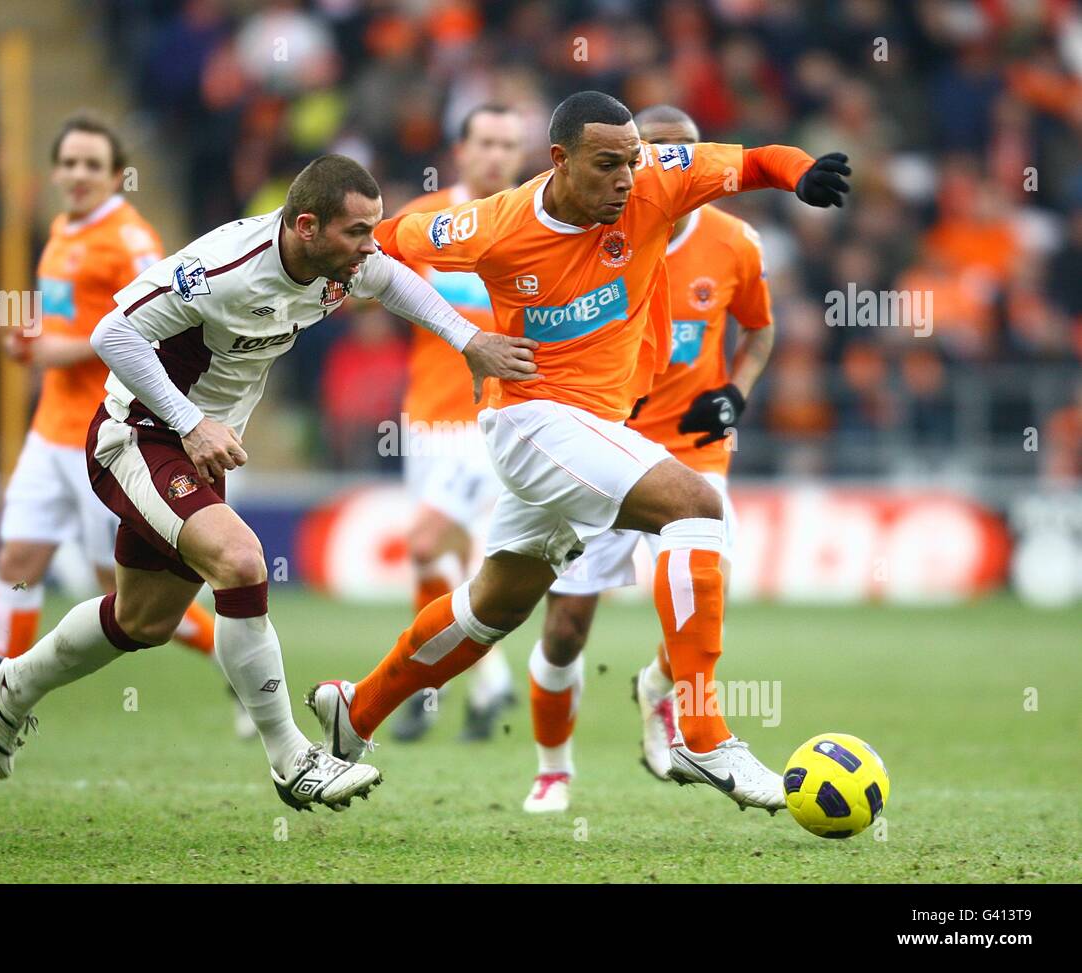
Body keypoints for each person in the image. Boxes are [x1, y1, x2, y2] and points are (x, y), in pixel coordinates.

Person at [308, 91, 850, 813]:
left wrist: (802, 173)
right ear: (559, 161)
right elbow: (388, 242)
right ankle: (701, 730)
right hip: (530, 420)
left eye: (633, 162)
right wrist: (458, 334)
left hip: (593, 430)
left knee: (491, 609)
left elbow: (753, 161)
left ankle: (358, 708)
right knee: (697, 507)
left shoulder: (654, 180)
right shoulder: (495, 223)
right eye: (607, 165)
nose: (626, 179)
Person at [0, 154, 539, 811]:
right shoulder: (224, 266)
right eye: (357, 233)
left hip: (198, 451)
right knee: (240, 563)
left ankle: (7, 688)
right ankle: (293, 759)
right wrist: (190, 421)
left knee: (142, 618)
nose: (367, 248)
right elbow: (111, 331)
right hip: (141, 435)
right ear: (307, 226)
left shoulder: (339, 261)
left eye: (373, 231)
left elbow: (394, 280)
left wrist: (468, 341)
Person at [0, 114, 222, 755]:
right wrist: (37, 342)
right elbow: (72, 317)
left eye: (92, 165)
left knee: (119, 594)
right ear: (55, 171)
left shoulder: (132, 240)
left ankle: (236, 663)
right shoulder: (59, 231)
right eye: (69, 163)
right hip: (46, 431)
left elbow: (159, 325)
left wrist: (60, 349)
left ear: (116, 175)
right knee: (17, 564)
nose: (78, 175)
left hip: (105, 436)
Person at [522, 106, 777, 813]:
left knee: (698, 605)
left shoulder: (736, 243)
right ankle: (553, 767)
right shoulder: (596, 232)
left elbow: (759, 330)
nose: (653, 174)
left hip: (694, 450)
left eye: (677, 158)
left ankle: (666, 692)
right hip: (600, 442)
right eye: (641, 159)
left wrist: (736, 392)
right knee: (567, 628)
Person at [390, 103, 528, 743]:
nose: (497, 155)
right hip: (424, 419)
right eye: (486, 142)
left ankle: (451, 676)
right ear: (462, 149)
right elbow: (372, 275)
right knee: (442, 562)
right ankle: (452, 683)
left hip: (493, 424)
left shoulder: (532, 224)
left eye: (508, 144)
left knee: (426, 543)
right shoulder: (427, 226)